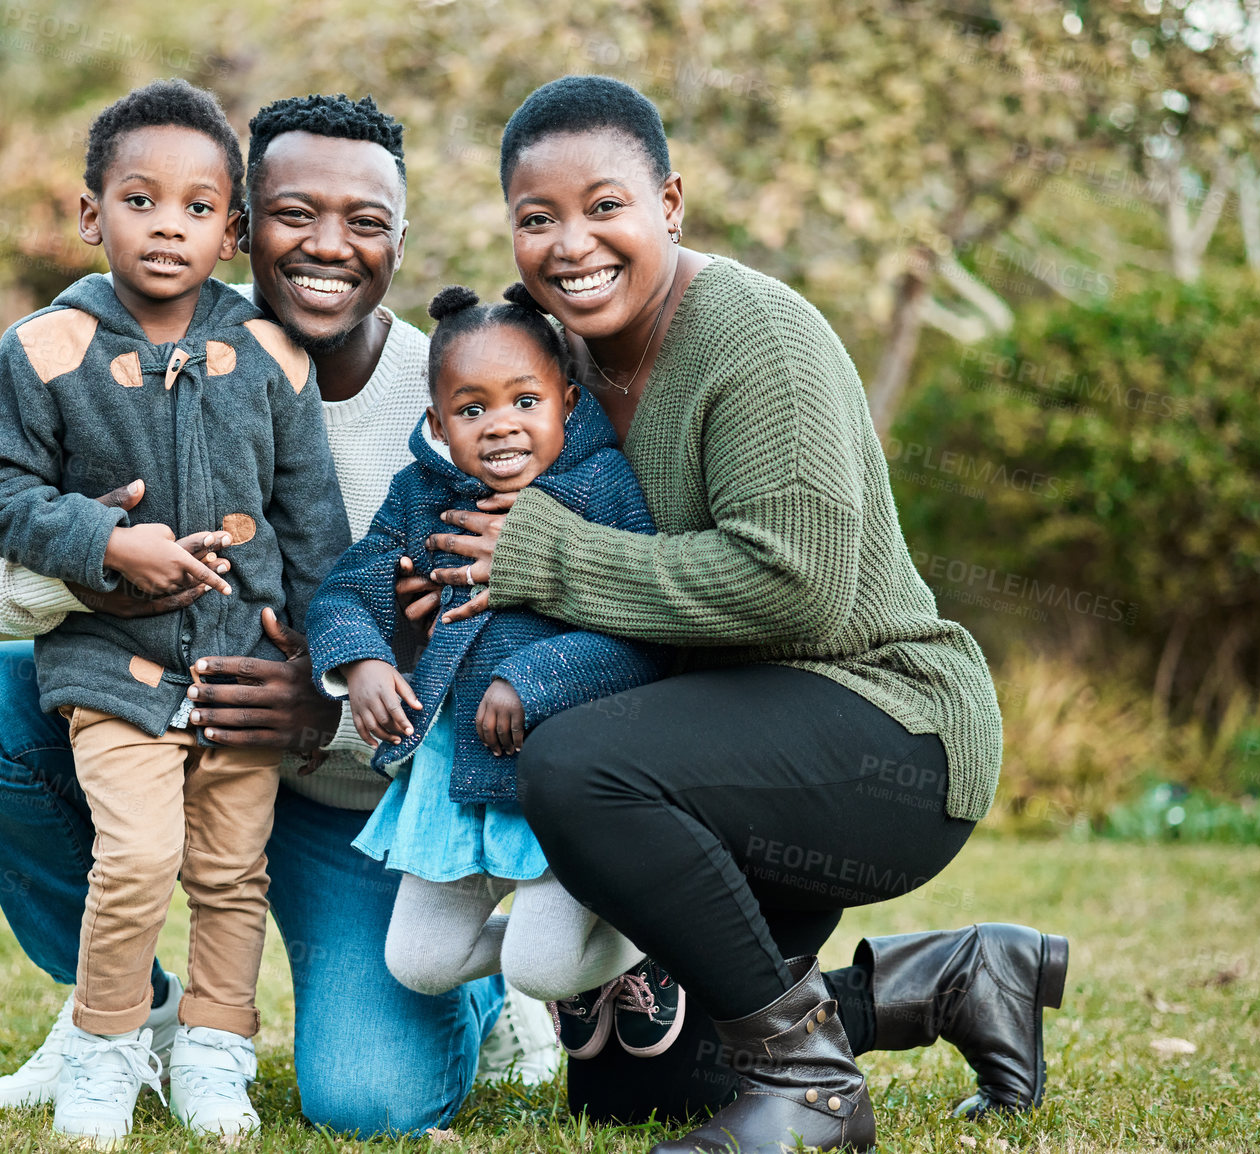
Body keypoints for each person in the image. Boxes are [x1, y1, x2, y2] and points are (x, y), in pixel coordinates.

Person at [415, 75, 1069, 1153]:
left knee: (575, 765)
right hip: (717, 747)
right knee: (643, 1085)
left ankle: (813, 1089)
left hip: (884, 723)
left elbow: (795, 582)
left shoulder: (758, 338)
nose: (572, 244)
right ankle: (953, 977)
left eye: (605, 205)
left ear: (669, 202)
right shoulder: (551, 365)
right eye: (538, 219)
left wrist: (549, 557)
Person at [0, 92, 558, 1139]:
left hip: (353, 797)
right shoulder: (115, 337)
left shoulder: (460, 391)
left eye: (367, 222)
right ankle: (123, 1016)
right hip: (151, 702)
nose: (329, 246)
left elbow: (516, 629)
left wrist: (325, 712)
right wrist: (103, 568)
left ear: (400, 237)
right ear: (246, 224)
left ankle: (483, 991)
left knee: (369, 1098)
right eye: (297, 213)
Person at [0, 78, 352, 1143]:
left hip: (236, 672)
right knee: (133, 859)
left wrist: (320, 641)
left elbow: (310, 517)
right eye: (140, 200)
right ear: (93, 215)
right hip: (112, 668)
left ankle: (218, 1051)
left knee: (230, 872)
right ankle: (106, 1044)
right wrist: (98, 541)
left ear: (231, 231)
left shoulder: (270, 355)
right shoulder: (46, 348)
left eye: (196, 206)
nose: (167, 224)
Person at [306, 283, 669, 1040]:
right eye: (471, 410)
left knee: (543, 967)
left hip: (562, 770)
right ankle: (542, 972)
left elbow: (645, 633)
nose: (500, 426)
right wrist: (363, 662)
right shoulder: (421, 496)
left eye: (524, 401)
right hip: (452, 771)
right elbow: (350, 585)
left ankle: (656, 943)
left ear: (566, 402)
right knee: (420, 962)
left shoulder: (599, 488)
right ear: (438, 423)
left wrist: (528, 679)